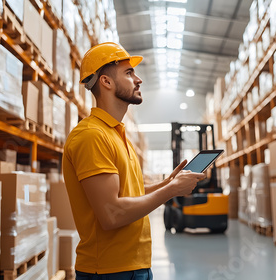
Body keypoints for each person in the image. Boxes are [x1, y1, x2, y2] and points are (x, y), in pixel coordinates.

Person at [62, 42, 206, 280]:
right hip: (108, 271)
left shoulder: (116, 134)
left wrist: (167, 183)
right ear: (106, 82)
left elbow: (128, 194)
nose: (138, 80)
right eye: (129, 73)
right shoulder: (91, 136)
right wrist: (170, 191)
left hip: (133, 266)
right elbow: (111, 214)